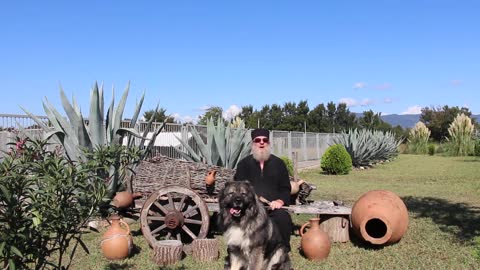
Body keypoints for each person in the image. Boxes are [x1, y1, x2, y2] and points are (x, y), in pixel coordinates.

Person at [234, 128, 293, 251]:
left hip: (273, 208)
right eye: (258, 140)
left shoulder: (279, 164)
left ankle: (281, 248)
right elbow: (238, 189)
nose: (261, 143)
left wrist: (280, 202)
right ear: (253, 144)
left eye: (265, 140)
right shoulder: (243, 165)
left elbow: (285, 188)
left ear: (268, 143)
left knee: (282, 218)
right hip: (250, 208)